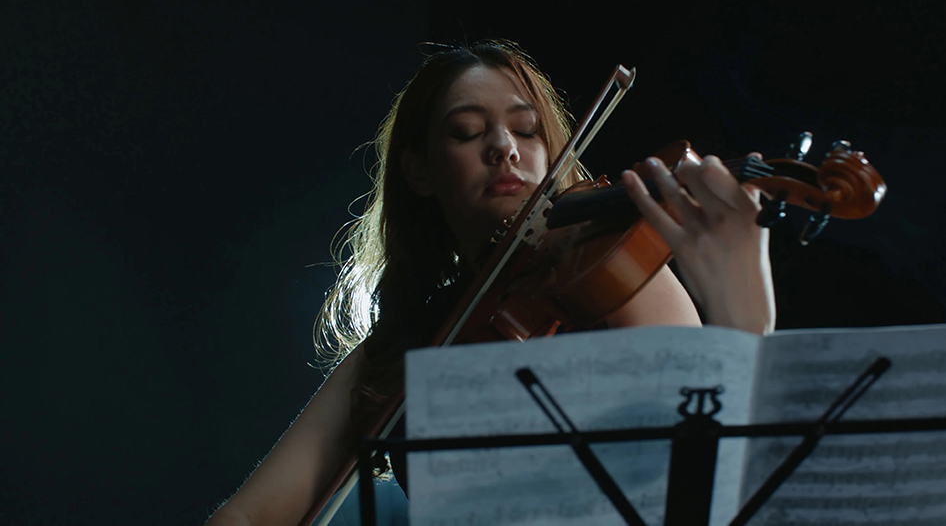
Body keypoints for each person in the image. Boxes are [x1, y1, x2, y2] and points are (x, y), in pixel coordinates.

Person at [205, 39, 774, 526]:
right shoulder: (404, 346)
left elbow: (714, 479)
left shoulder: (613, 280)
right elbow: (248, 517)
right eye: (467, 132)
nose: (504, 147)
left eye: (527, 130)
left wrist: (746, 317)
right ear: (420, 171)